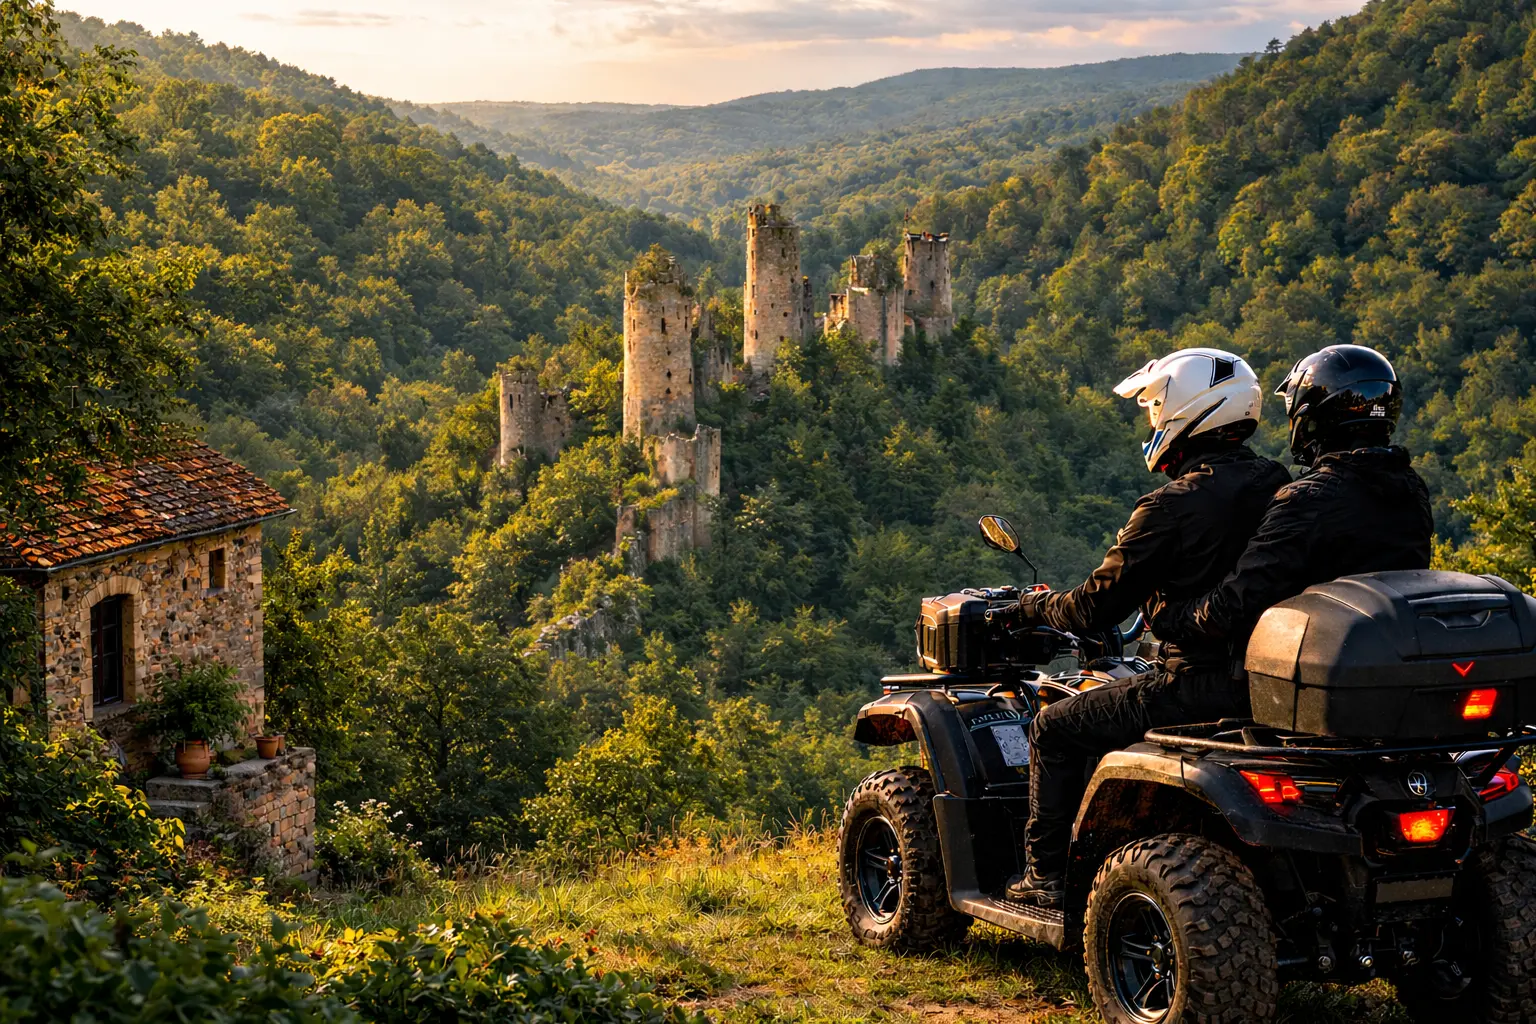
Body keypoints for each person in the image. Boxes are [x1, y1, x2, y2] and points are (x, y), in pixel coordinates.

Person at [1003, 348, 1292, 908]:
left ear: (1184, 410)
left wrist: (1032, 610)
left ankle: (1045, 879)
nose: (1153, 420)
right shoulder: (1278, 484)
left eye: (1156, 407)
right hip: (1271, 682)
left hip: (1194, 685)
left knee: (1054, 729)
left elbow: (1096, 606)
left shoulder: (1171, 505)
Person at [1150, 344, 1434, 660]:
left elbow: (1234, 605)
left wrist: (1168, 616)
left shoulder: (1307, 499)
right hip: (1391, 658)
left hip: (1312, 665)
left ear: (1312, 417)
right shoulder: (1411, 489)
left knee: (1089, 709)